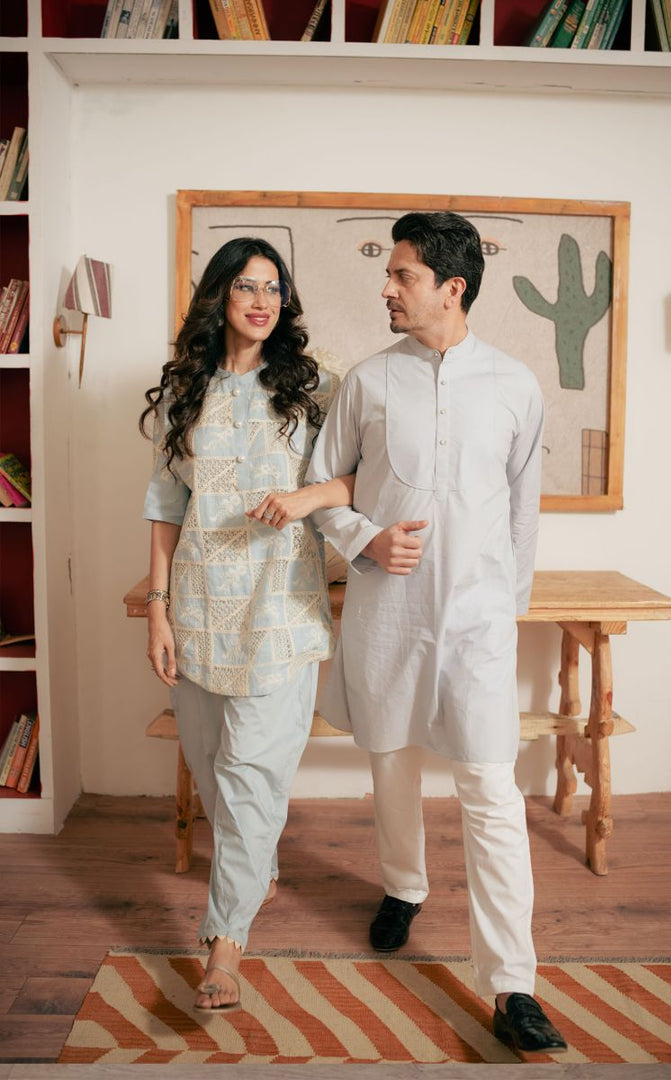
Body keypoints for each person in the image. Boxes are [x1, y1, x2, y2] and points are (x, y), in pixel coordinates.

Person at [305, 211, 567, 1054]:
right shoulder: (368, 382)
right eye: (389, 272)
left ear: (452, 287)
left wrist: (505, 610)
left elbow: (522, 513)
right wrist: (365, 540)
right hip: (387, 611)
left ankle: (513, 984)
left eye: (403, 274)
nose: (387, 286)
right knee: (392, 763)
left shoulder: (516, 385)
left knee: (491, 790)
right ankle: (403, 887)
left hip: (478, 625)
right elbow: (322, 486)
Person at [140, 237, 353, 1013]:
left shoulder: (314, 386)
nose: (262, 301)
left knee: (250, 776)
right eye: (245, 287)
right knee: (210, 767)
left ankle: (224, 945)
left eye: (273, 287)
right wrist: (157, 608)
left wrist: (306, 498)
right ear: (220, 296)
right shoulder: (185, 390)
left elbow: (366, 474)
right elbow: (166, 505)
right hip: (199, 609)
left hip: (280, 612)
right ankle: (256, 868)